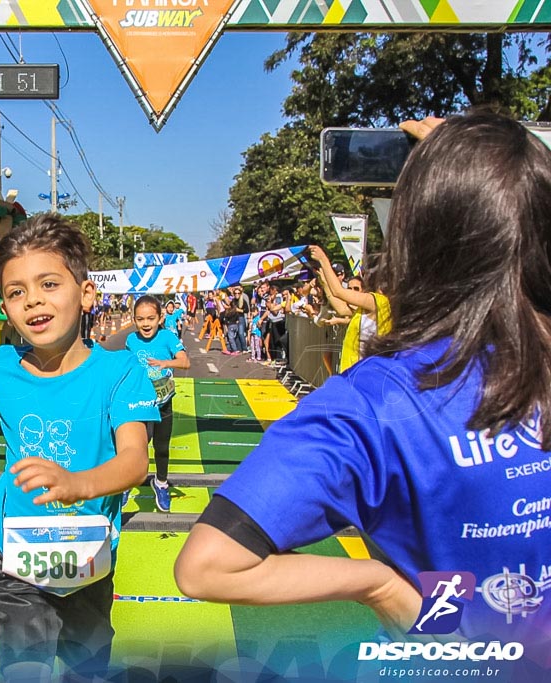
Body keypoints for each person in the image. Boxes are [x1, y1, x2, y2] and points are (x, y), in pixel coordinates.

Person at [175, 113, 551, 679]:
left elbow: (207, 566)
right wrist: (497, 169)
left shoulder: (370, 405)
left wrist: (380, 587)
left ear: (412, 236)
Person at [0, 213, 158, 681]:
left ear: (87, 294)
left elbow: (135, 461)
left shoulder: (122, 372)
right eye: (16, 291)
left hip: (88, 556)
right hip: (13, 552)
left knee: (88, 671)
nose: (32, 299)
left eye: (49, 283)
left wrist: (77, 483)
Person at [125, 295, 190, 512]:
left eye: (150, 319)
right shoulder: (131, 341)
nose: (146, 324)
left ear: (160, 318)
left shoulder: (167, 337)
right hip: (140, 403)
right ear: (134, 319)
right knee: (137, 446)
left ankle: (161, 483)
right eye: (141, 319)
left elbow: (185, 362)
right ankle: (127, 482)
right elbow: (126, 366)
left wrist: (166, 363)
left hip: (163, 403)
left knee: (161, 447)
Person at [309, 245, 391, 372]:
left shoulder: (377, 301)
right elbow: (341, 308)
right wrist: (324, 281)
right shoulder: (380, 304)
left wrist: (324, 260)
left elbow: (338, 292)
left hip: (360, 373)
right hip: (356, 371)